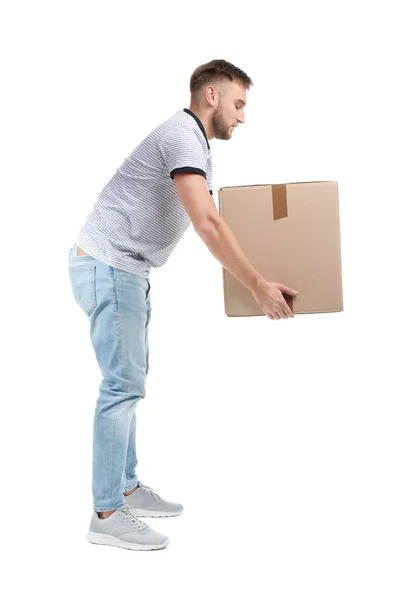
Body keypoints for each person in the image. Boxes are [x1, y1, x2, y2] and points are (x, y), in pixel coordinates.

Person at [68, 58, 298, 552]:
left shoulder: (194, 142)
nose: (242, 116)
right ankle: (106, 511)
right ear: (211, 95)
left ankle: (125, 486)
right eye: (238, 103)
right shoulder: (182, 136)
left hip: (124, 269)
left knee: (129, 384)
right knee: (122, 387)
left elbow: (212, 219)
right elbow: (208, 224)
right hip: (110, 266)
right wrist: (257, 286)